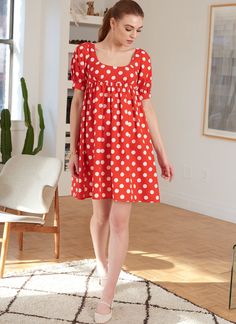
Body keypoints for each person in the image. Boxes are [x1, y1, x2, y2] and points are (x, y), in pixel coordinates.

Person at [69, 0, 174, 322]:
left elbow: (146, 107)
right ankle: (103, 266)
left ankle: (108, 294)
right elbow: (78, 103)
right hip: (95, 145)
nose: (134, 36)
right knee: (99, 216)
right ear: (112, 22)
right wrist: (74, 149)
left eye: (139, 30)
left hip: (130, 147)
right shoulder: (85, 54)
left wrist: (161, 152)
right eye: (129, 28)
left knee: (119, 222)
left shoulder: (141, 59)